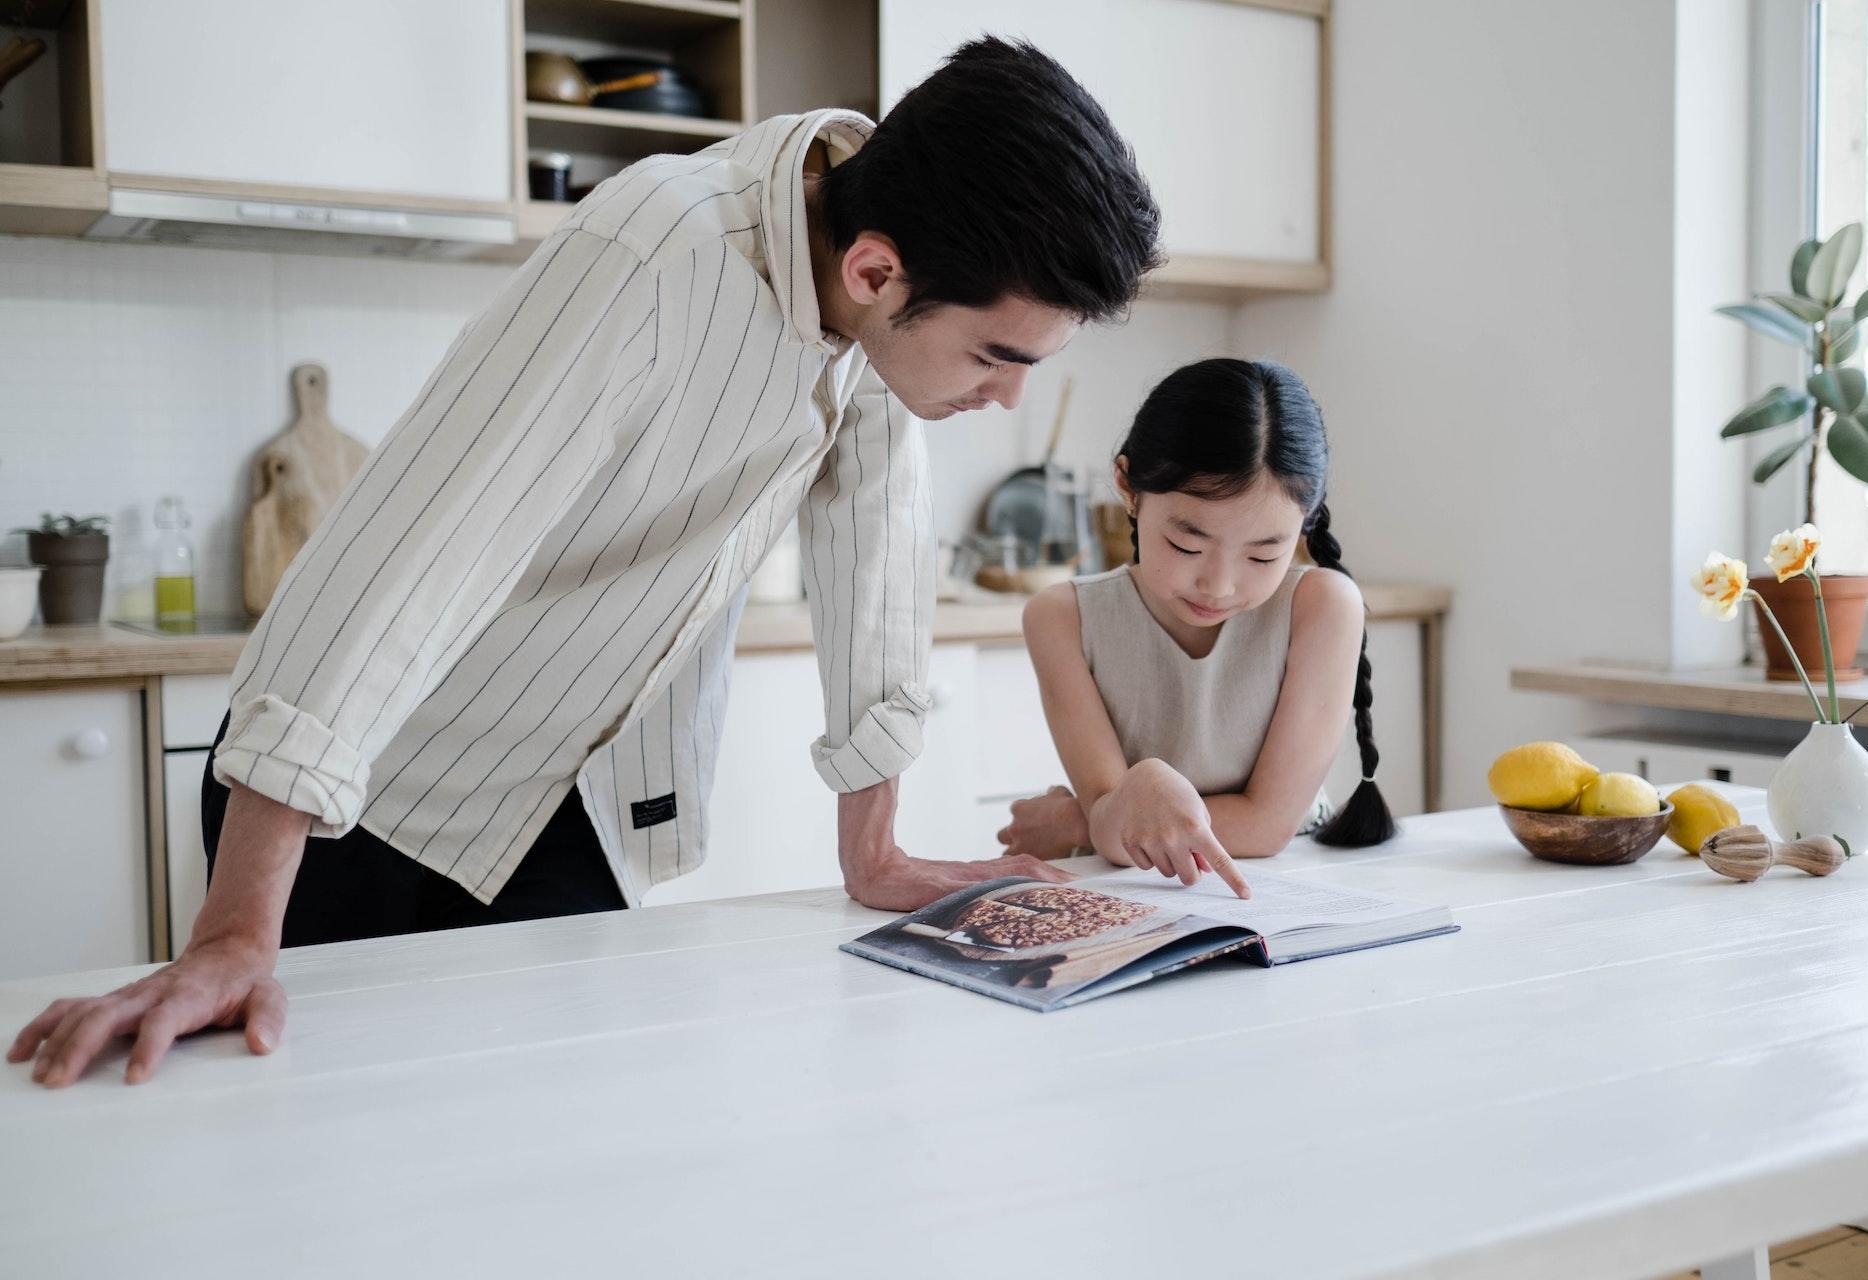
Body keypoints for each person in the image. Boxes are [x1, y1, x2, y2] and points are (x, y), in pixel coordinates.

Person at [10, 37, 1163, 1088]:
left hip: (573, 806)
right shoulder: (652, 258)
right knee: (311, 1159)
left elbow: (878, 566)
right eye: (998, 355)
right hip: (365, 806)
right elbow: (408, 556)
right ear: (874, 272)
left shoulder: (889, 302)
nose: (1010, 394)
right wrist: (230, 935)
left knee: (564, 1152)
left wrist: (876, 849)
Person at [998, 358, 1395, 894]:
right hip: (1137, 888)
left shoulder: (1322, 606)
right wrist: (1111, 812)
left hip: (1292, 882)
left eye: (1263, 556)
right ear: (1128, 489)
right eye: (1186, 545)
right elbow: (1114, 824)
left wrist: (1080, 821)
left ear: (1305, 522)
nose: (1218, 586)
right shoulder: (1062, 617)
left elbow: (1267, 825)